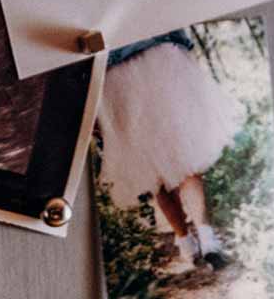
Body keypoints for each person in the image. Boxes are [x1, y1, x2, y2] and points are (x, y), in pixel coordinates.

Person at [98, 30, 239, 271]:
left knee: (156, 170)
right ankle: (206, 242)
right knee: (183, 158)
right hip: (155, 56)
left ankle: (189, 244)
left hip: (120, 69)